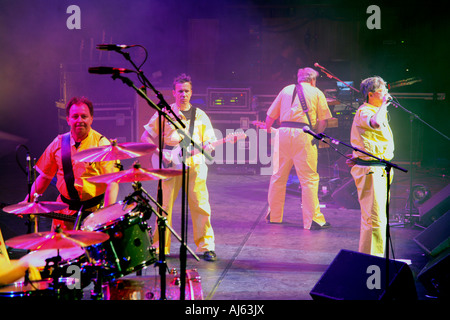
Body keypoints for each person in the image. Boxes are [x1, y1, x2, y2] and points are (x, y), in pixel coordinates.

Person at [141, 74, 217, 261]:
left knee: (200, 204)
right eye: (180, 91)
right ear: (173, 92)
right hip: (169, 164)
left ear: (191, 93)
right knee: (164, 206)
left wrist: (208, 146)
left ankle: (206, 246)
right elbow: (146, 137)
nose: (183, 94)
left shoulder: (200, 115)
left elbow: (209, 140)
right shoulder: (164, 112)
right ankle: (160, 247)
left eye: (187, 91)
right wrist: (160, 153)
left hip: (194, 164)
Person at [25, 96, 119, 230]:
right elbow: (45, 177)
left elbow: (112, 183)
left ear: (91, 119)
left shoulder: (102, 144)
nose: (79, 120)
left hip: (93, 214)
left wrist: (107, 214)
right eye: (75, 116)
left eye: (84, 116)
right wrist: (27, 200)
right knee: (60, 251)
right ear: (68, 120)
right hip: (64, 214)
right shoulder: (58, 143)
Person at [265, 67, 332, 230]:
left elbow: (270, 116)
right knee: (309, 179)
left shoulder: (286, 89)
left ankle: (274, 216)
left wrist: (269, 131)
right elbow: (323, 121)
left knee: (278, 176)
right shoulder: (317, 93)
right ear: (312, 80)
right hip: (304, 133)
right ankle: (313, 220)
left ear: (299, 78)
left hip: (283, 133)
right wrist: (317, 135)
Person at [347, 76, 394, 257]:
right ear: (371, 94)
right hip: (372, 170)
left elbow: (366, 138)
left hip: (380, 168)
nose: (386, 94)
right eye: (383, 91)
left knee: (379, 216)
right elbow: (374, 124)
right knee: (374, 218)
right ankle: (372, 261)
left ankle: (377, 257)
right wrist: (384, 105)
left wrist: (357, 155)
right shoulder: (366, 112)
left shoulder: (374, 110)